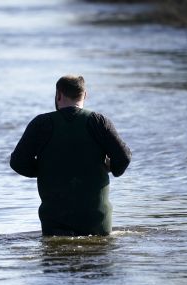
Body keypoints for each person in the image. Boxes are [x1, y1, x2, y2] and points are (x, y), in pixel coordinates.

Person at [10, 75, 131, 236]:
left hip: (54, 221)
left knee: (56, 257)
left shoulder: (41, 124)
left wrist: (44, 169)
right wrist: (112, 168)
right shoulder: (98, 122)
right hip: (96, 221)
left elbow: (18, 162)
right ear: (84, 95)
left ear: (58, 95)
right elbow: (124, 157)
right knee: (97, 255)